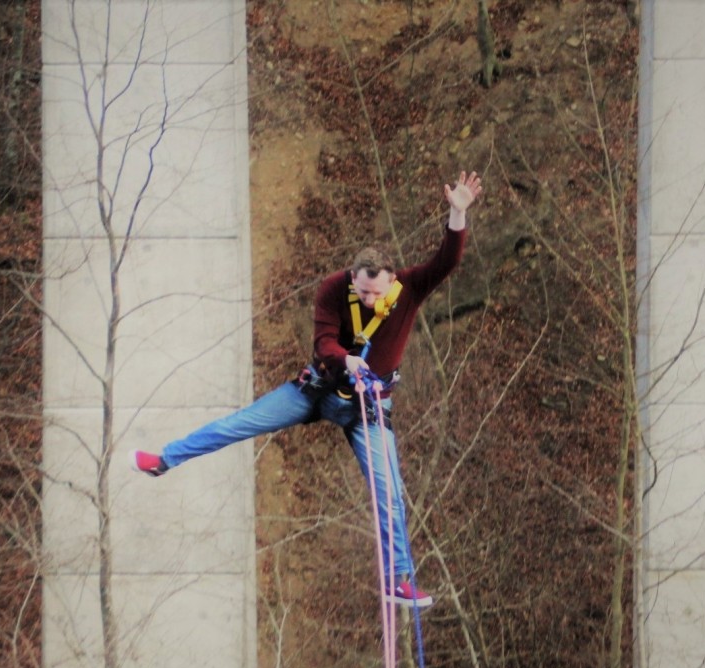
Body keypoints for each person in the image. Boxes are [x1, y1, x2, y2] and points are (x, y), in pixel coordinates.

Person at [132, 171, 483, 607]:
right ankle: (165, 459)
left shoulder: (409, 288)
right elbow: (324, 342)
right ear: (352, 279)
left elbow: (446, 261)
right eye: (363, 291)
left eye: (376, 292)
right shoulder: (334, 289)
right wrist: (346, 359)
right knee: (237, 424)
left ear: (392, 280)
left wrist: (456, 213)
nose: (370, 300)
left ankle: (398, 579)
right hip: (316, 391)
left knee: (389, 492)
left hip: (367, 409)